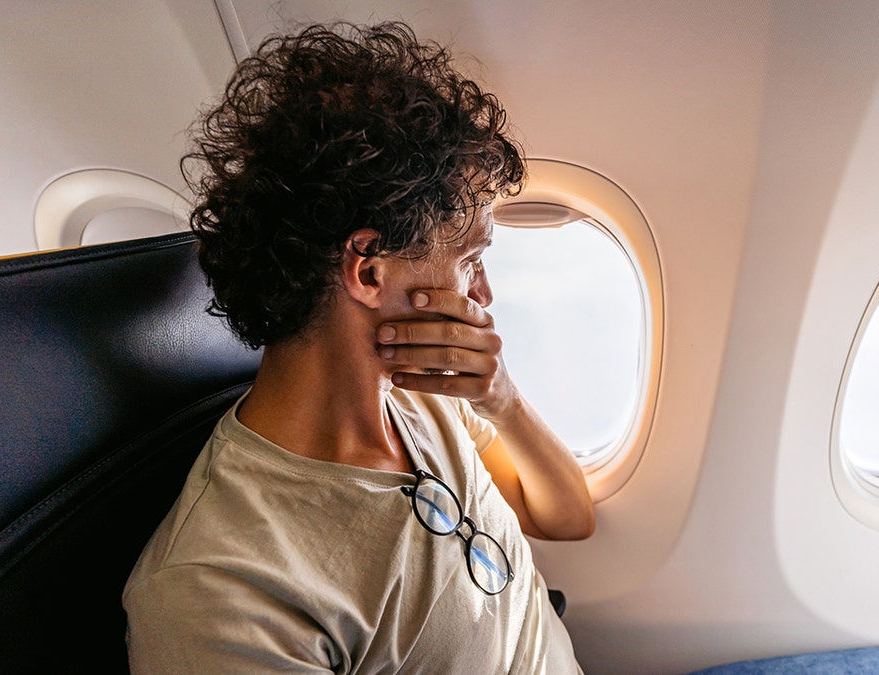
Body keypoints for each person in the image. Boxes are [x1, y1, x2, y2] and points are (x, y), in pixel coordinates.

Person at [122, 21, 595, 674]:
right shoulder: (222, 589)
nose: (482, 294)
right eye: (471, 258)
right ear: (369, 269)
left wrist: (502, 399)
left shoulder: (426, 398)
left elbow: (569, 516)